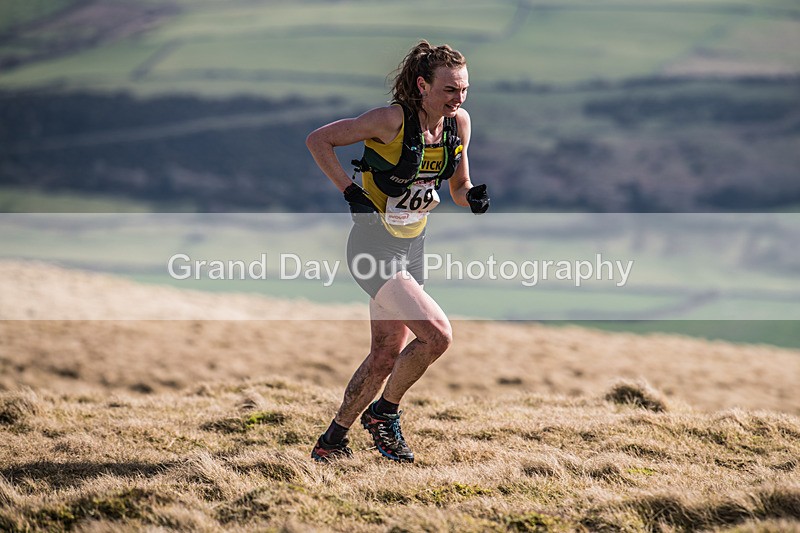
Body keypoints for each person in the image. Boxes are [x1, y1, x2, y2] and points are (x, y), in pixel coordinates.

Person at [305, 40, 490, 463]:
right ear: (423, 85)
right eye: (449, 90)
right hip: (373, 246)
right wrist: (350, 191)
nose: (458, 98)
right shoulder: (388, 120)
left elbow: (458, 188)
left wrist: (472, 197)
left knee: (386, 353)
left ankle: (331, 442)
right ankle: (384, 415)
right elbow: (319, 140)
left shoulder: (458, 122)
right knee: (438, 335)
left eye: (463, 90)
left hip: (413, 247)